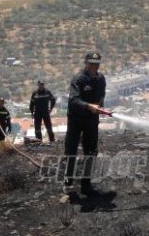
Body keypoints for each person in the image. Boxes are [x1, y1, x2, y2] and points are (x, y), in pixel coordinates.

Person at [63, 51, 106, 195]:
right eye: (91, 63)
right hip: (76, 119)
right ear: (86, 63)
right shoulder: (78, 79)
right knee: (71, 150)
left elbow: (101, 97)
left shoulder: (101, 79)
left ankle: (86, 184)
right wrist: (89, 106)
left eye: (96, 64)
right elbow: (73, 100)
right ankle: (68, 180)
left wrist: (100, 107)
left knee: (91, 151)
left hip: (92, 120)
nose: (94, 66)